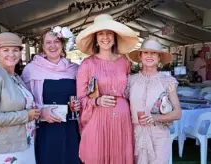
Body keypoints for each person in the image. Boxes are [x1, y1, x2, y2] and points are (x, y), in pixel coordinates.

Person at [76, 14, 138, 164]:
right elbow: (81, 98)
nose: (105, 37)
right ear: (95, 38)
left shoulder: (124, 61)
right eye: (101, 33)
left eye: (109, 33)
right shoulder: (87, 64)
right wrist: (97, 101)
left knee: (120, 157)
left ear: (115, 37)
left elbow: (130, 90)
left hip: (122, 119)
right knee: (97, 156)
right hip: (98, 117)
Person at [0, 32, 41, 164]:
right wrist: (25, 115)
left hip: (24, 143)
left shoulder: (16, 77)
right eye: (6, 50)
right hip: (5, 149)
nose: (11, 54)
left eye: (15, 50)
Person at [21, 26, 81, 164]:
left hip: (70, 129)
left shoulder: (74, 69)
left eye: (56, 42)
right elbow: (24, 101)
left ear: (63, 44)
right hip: (44, 129)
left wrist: (79, 104)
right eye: (48, 42)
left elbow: (83, 96)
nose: (52, 46)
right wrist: (40, 112)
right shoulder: (31, 70)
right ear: (42, 46)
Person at [127, 38, 181, 164]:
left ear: (159, 57)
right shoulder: (130, 80)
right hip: (135, 135)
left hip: (159, 136)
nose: (150, 55)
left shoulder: (167, 81)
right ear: (140, 56)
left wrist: (155, 117)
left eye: (154, 53)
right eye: (146, 52)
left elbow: (178, 113)